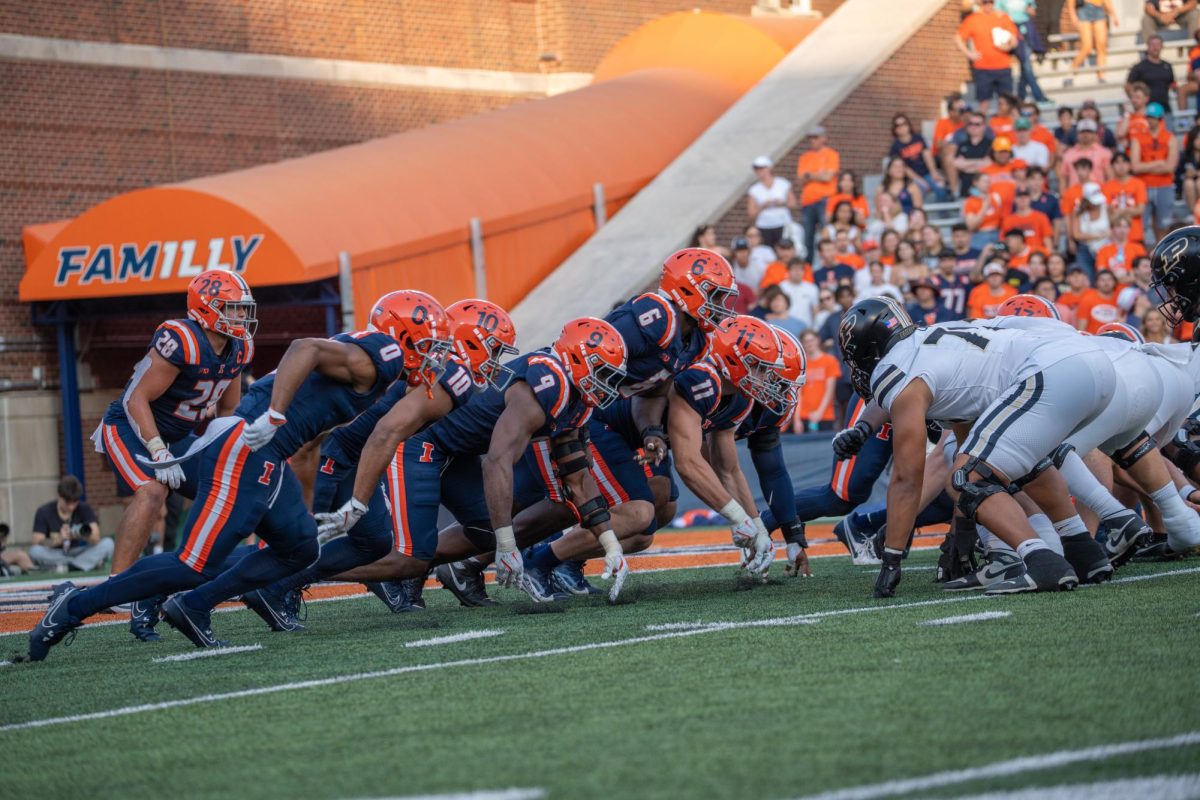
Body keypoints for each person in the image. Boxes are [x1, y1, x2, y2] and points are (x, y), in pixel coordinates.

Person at [28, 291, 453, 659]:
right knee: (194, 563)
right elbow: (304, 347)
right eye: (432, 344)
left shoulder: (380, 362)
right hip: (249, 448)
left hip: (268, 453)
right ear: (404, 335)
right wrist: (275, 413)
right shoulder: (382, 352)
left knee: (300, 548)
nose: (437, 356)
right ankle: (73, 606)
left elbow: (312, 431)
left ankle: (193, 607)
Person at [240, 300, 518, 623]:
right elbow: (385, 432)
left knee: (373, 542)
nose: (496, 363)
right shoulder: (453, 374)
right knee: (294, 541)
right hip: (329, 450)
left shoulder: (437, 366)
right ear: (470, 341)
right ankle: (195, 579)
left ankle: (275, 584)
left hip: (347, 451)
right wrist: (358, 503)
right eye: (495, 351)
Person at [95, 269, 254, 593]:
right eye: (232, 307)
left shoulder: (239, 347)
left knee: (228, 490)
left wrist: (229, 453)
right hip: (130, 427)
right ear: (207, 307)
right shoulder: (182, 341)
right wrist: (157, 448)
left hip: (180, 437)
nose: (240, 315)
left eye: (242, 308)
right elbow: (135, 398)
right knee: (152, 492)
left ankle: (202, 570)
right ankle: (115, 589)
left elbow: (228, 411)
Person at [29, 475, 113, 572]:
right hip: (56, 553)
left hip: (79, 551)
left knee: (108, 543)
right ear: (59, 496)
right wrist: (58, 539)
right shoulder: (44, 511)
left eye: (75, 502)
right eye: (67, 502)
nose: (71, 507)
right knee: (34, 551)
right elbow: (36, 542)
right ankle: (82, 564)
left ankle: (67, 567)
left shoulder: (84, 508)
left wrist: (81, 534)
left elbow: (96, 539)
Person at [955, 0, 1020, 115]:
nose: (988, 5)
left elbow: (1014, 39)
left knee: (1008, 102)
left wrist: (1008, 46)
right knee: (983, 103)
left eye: (991, 2)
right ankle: (982, 130)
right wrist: (969, 54)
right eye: (986, 2)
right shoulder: (973, 19)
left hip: (1003, 66)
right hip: (982, 68)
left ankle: (1010, 129)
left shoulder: (1002, 17)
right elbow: (958, 37)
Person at [1131, 102, 1180, 244]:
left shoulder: (1169, 137)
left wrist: (1145, 166)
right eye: (1149, 117)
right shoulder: (1138, 138)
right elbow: (1135, 167)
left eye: (1153, 117)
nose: (1150, 120)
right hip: (1144, 186)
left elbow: (1170, 167)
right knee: (1143, 224)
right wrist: (1158, 163)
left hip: (1164, 185)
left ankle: (1162, 252)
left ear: (1160, 119)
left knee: (1163, 224)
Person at [796, 126, 839, 259]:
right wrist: (818, 175)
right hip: (808, 202)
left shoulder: (831, 154)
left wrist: (810, 175)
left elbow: (828, 177)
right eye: (811, 138)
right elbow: (800, 179)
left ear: (824, 138)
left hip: (825, 200)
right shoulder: (805, 157)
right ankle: (808, 265)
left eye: (816, 137)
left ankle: (829, 260)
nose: (812, 140)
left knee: (826, 234)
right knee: (808, 237)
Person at [998, 0, 1049, 101]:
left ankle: (1020, 97)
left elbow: (1033, 12)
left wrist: (1029, 10)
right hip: (1011, 30)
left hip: (1025, 29)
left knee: (1025, 64)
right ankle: (1039, 96)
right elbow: (998, 15)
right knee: (1026, 64)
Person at [891, 113, 947, 199]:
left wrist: (933, 172)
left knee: (940, 188)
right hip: (911, 179)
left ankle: (943, 212)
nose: (901, 127)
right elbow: (903, 167)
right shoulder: (895, 147)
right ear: (895, 129)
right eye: (898, 125)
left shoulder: (918, 138)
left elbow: (927, 155)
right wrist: (919, 180)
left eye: (904, 124)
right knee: (918, 192)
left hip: (927, 173)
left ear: (908, 125)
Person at [794, 330, 840, 432]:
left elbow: (830, 391)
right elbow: (798, 393)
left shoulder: (830, 361)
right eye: (806, 341)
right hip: (804, 415)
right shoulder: (800, 363)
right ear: (802, 343)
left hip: (825, 415)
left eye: (811, 340)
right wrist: (796, 420)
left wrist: (819, 412)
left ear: (818, 340)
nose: (809, 344)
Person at [746, 156, 796, 249]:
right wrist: (762, 206)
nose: (759, 171)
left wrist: (782, 203)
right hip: (764, 227)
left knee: (784, 250)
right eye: (757, 169)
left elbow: (793, 203)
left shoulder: (783, 183)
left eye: (762, 168)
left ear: (769, 168)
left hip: (782, 224)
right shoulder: (754, 189)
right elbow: (751, 214)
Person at [1068, 0, 1117, 84]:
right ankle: (1071, 71)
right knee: (1087, 46)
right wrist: (1072, 14)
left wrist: (1113, 15)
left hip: (1099, 8)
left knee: (1101, 46)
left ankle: (1101, 76)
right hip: (1084, 8)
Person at [1104, 151, 1148, 245]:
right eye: (1117, 162)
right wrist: (1129, 210)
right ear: (1112, 167)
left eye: (1124, 162)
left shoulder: (1139, 184)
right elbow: (1107, 213)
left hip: (1136, 234)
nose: (1121, 166)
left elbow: (1139, 210)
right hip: (1114, 236)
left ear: (1129, 165)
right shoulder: (1107, 187)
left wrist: (1118, 211)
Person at [948, 111, 996, 197]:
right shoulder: (962, 145)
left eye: (977, 124)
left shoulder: (991, 144)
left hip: (986, 193)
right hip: (965, 191)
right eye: (970, 124)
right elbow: (955, 163)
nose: (973, 127)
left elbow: (989, 164)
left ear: (984, 127)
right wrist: (979, 162)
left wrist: (966, 165)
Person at [1126, 34, 1178, 111]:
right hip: (1146, 109)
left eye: (1158, 44)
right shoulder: (1139, 67)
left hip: (1165, 107)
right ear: (1147, 47)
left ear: (1162, 46)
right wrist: (1136, 100)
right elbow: (1128, 86)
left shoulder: (1167, 66)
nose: (1155, 47)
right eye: (1152, 45)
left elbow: (1172, 84)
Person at [1059, 119, 1113, 188]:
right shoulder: (1068, 154)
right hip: (1075, 195)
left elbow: (1110, 176)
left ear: (1095, 134)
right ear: (1077, 134)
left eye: (1089, 131)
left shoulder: (1104, 152)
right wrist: (1064, 196)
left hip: (1097, 194)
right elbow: (1063, 178)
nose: (1085, 134)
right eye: (1082, 132)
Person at [1005, 188, 1055, 253]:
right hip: (1017, 257)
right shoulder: (1008, 220)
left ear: (1030, 199)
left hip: (1036, 256)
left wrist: (1049, 254)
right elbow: (1005, 241)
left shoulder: (1041, 217)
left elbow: (1047, 240)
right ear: (1014, 199)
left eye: (1025, 197)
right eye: (1019, 197)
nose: (1022, 199)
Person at [964, 172, 1006, 250]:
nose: (988, 184)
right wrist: (985, 207)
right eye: (985, 181)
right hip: (980, 236)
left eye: (989, 182)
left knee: (1000, 252)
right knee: (979, 256)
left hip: (996, 234)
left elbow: (1002, 220)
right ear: (975, 182)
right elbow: (971, 226)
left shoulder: (995, 197)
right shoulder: (970, 201)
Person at [1075, 268, 1124, 332]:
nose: (1106, 283)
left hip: (1115, 339)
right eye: (1102, 280)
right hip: (1093, 339)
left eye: (1109, 279)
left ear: (1115, 282)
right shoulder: (1088, 299)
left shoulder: (1121, 299)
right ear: (1096, 283)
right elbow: (1081, 329)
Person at [777, 257, 819, 328]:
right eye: (794, 269)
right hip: (785, 327)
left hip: (806, 329)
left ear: (804, 271)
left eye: (800, 269)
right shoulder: (781, 287)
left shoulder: (812, 288)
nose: (797, 272)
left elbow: (815, 310)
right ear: (788, 271)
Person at [1117, 81, 1153, 147]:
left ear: (1146, 98)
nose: (1134, 100)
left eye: (1137, 97)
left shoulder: (1153, 116)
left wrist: (1132, 144)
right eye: (1132, 97)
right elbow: (1120, 135)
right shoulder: (1126, 117)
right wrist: (1127, 113)